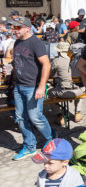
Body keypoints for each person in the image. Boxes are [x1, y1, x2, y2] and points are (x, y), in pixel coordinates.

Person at [8, 17, 53, 160]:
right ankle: (29, 146)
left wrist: (41, 86)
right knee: (21, 118)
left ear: (27, 28)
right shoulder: (17, 42)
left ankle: (51, 140)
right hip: (19, 86)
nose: (15, 30)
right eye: (14, 28)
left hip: (32, 87)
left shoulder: (35, 42)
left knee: (36, 117)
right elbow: (19, 62)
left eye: (18, 28)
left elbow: (46, 64)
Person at [48, 42, 85, 124]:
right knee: (80, 88)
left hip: (63, 91)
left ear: (59, 52)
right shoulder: (75, 59)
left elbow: (50, 75)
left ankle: (59, 115)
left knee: (49, 93)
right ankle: (77, 113)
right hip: (77, 91)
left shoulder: (56, 60)